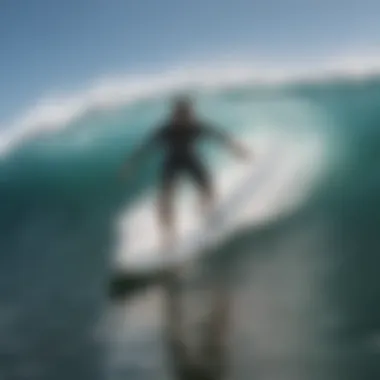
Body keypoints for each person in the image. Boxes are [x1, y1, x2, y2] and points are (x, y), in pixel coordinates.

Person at [121, 96, 251, 245]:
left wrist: (237, 149)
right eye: (180, 115)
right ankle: (168, 235)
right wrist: (131, 164)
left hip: (190, 159)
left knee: (208, 188)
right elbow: (146, 147)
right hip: (172, 163)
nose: (185, 118)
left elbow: (218, 136)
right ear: (174, 115)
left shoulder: (196, 126)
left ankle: (207, 212)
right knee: (165, 198)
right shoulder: (165, 130)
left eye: (188, 114)